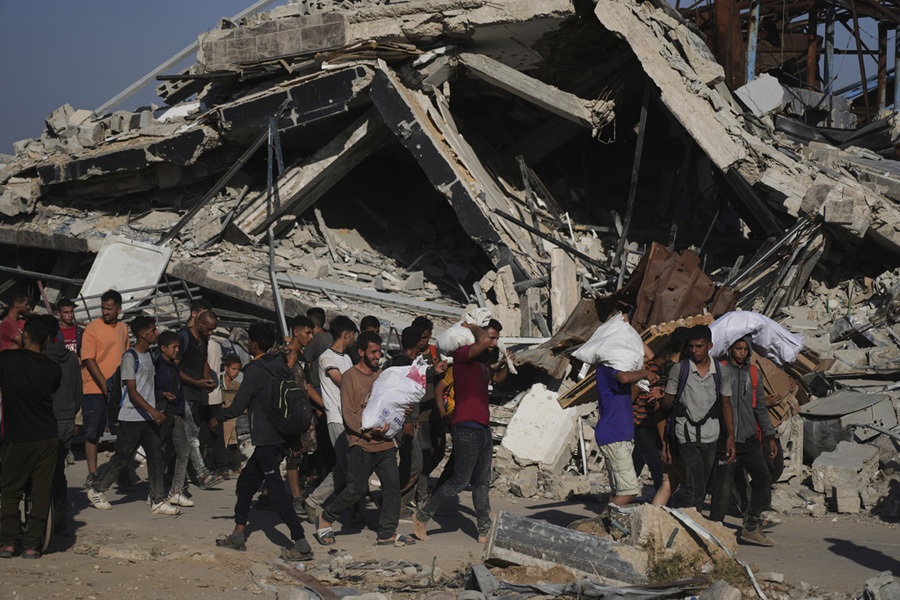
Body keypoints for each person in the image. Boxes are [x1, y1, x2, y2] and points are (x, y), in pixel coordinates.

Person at [211, 322, 314, 561]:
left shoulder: (256, 369)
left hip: (268, 439)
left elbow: (238, 405)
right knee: (246, 485)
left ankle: (301, 543)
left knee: (276, 492)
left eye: (249, 340)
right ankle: (238, 535)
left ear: (253, 343)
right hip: (279, 436)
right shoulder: (278, 364)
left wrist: (218, 418)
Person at [413, 319, 511, 543]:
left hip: (483, 427)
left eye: (496, 339)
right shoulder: (462, 355)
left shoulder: (482, 363)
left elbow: (498, 379)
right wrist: (473, 326)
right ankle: (422, 516)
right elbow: (482, 340)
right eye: (492, 338)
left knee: (481, 483)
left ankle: (484, 530)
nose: (494, 343)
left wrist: (506, 364)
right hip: (466, 426)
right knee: (459, 480)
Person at [315, 331, 414, 546]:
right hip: (361, 442)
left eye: (379, 352)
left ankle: (387, 532)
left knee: (392, 487)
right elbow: (349, 414)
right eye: (373, 352)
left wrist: (403, 412)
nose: (378, 356)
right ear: (361, 352)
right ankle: (325, 518)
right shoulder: (350, 377)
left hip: (385, 442)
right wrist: (369, 431)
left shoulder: (382, 376)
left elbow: (391, 403)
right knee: (356, 489)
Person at [86, 316, 180, 515]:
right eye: (153, 330)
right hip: (131, 417)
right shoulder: (130, 357)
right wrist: (153, 410)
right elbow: (132, 391)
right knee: (122, 457)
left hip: (146, 417)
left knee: (156, 456)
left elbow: (148, 387)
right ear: (143, 334)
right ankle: (97, 489)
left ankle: (157, 499)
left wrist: (160, 397)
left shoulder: (150, 356)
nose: (156, 333)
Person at [0, 317, 61, 558]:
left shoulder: (6, 360)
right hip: (46, 436)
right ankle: (31, 545)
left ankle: (8, 543)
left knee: (11, 490)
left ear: (24, 335)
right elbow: (51, 389)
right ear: (46, 340)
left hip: (17, 436)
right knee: (42, 491)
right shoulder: (53, 368)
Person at [709, 338, 778, 546]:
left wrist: (770, 436)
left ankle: (751, 525)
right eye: (738, 348)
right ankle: (714, 534)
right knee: (722, 489)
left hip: (749, 440)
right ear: (731, 349)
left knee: (764, 480)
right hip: (724, 440)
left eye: (745, 349)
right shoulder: (719, 370)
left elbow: (760, 408)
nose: (741, 353)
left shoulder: (754, 373)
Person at [660, 325, 734, 511]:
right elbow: (667, 403)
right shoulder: (680, 369)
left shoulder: (721, 372)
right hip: (686, 433)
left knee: (703, 483)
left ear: (709, 346)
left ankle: (693, 520)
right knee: (696, 485)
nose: (694, 350)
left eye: (699, 346)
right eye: (691, 346)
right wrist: (664, 397)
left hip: (711, 434)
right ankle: (691, 522)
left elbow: (726, 404)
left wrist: (731, 436)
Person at [594, 331, 660, 511]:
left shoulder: (620, 368)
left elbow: (649, 356)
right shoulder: (607, 369)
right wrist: (645, 373)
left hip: (617, 435)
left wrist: (628, 329)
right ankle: (601, 522)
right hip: (614, 434)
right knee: (629, 491)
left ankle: (608, 522)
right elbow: (625, 378)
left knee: (619, 491)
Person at [303, 316, 358, 521]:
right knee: (348, 467)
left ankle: (314, 501)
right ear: (346, 334)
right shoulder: (327, 358)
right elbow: (344, 382)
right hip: (336, 417)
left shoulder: (347, 359)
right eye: (353, 335)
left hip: (348, 417)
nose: (354, 339)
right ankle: (320, 503)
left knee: (346, 467)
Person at [81, 289, 130, 490]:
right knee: (93, 433)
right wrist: (104, 384)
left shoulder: (123, 328)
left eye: (109, 309)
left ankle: (121, 473)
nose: (105, 312)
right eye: (103, 308)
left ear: (119, 309)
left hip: (117, 390)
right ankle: (93, 474)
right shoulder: (92, 328)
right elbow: (88, 359)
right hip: (93, 389)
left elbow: (126, 356)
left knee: (122, 433)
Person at [280, 316, 324, 515]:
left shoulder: (304, 358)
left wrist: (325, 405)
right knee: (287, 454)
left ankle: (274, 494)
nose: (311, 337)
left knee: (294, 454)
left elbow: (307, 386)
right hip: (284, 413)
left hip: (300, 413)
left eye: (312, 333)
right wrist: (288, 364)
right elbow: (276, 381)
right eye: (307, 332)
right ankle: (294, 497)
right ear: (296, 332)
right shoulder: (281, 354)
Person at [178, 310, 224, 489]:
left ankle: (170, 473)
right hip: (182, 394)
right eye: (209, 329)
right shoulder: (184, 338)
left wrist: (207, 379)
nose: (210, 333)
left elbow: (203, 361)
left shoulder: (203, 340)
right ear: (200, 324)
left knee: (186, 435)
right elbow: (175, 368)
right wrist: (196, 382)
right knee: (191, 435)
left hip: (195, 394)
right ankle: (202, 474)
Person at [43, 315, 81, 531]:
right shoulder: (72, 358)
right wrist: (72, 415)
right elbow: (78, 393)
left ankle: (48, 515)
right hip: (67, 418)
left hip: (47, 420)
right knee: (58, 469)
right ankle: (60, 516)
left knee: (44, 471)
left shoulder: (41, 358)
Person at [411, 316, 448, 510]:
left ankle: (418, 485)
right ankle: (421, 497)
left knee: (439, 451)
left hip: (436, 411)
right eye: (419, 337)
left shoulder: (435, 353)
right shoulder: (411, 356)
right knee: (424, 455)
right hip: (420, 414)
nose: (421, 341)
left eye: (425, 337)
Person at [389, 326, 425, 522]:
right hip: (402, 421)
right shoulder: (404, 364)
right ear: (419, 343)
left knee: (408, 461)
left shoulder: (399, 362)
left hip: (400, 420)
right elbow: (403, 394)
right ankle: (396, 502)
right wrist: (408, 421)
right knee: (415, 463)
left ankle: (396, 502)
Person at [155, 330, 193, 508]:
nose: (177, 350)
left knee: (183, 450)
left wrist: (182, 413)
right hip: (162, 414)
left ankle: (176, 491)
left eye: (178, 347)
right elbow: (149, 389)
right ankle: (155, 493)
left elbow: (179, 390)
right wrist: (162, 394)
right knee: (159, 453)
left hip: (176, 414)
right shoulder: (157, 366)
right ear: (163, 348)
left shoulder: (172, 366)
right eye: (174, 347)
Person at [221, 355, 244, 475]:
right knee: (220, 442)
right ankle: (222, 467)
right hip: (219, 416)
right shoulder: (219, 381)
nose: (236, 372)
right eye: (233, 369)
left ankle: (236, 465)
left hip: (231, 418)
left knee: (233, 442)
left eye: (238, 370)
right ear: (226, 368)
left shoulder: (237, 385)